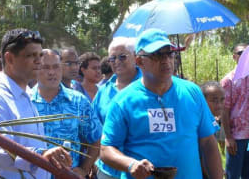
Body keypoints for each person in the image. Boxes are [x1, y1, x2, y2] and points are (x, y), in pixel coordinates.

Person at [100, 29, 223, 179]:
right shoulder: (123, 101)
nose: (166, 60)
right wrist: (131, 164)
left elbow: (208, 142)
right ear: (139, 61)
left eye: (169, 53)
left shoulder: (192, 92)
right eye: (157, 55)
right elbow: (106, 149)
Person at [0, 28, 71, 179]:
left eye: (40, 55)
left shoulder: (26, 94)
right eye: (31, 55)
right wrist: (41, 155)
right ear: (10, 59)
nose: (39, 61)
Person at [31, 49, 102, 177]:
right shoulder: (26, 101)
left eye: (56, 67)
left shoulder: (78, 101)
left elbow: (96, 139)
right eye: (45, 67)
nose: (51, 72)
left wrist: (83, 170)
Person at [93, 37, 142, 179]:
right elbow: (95, 127)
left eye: (122, 57)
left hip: (141, 169)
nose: (117, 62)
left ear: (135, 57)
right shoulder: (103, 91)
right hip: (108, 169)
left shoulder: (149, 86)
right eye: (112, 58)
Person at [221, 43, 249, 179]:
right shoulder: (228, 80)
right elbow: (224, 110)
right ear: (234, 57)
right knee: (233, 175)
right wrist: (228, 137)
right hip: (237, 138)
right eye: (241, 53)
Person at [201, 81, 225, 154]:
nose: (219, 105)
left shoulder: (211, 120)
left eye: (222, 100)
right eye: (214, 101)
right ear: (202, 101)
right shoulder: (202, 124)